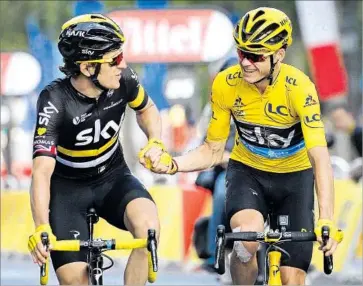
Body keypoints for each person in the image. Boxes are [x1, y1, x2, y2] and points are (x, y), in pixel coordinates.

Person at [142, 7, 344, 285]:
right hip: (249, 173)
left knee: (292, 278)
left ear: (279, 55)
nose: (246, 63)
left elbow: (319, 156)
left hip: (294, 177)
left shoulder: (299, 87)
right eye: (241, 53)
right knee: (246, 240)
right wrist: (174, 163)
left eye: (256, 56)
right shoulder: (226, 84)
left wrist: (327, 219)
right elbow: (212, 149)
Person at [28, 14, 166, 285]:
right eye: (114, 60)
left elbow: (147, 109)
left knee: (148, 229)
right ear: (88, 67)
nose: (123, 65)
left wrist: (155, 140)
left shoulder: (124, 80)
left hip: (113, 178)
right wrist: (41, 227)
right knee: (74, 280)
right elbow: (42, 172)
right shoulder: (54, 100)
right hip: (68, 191)